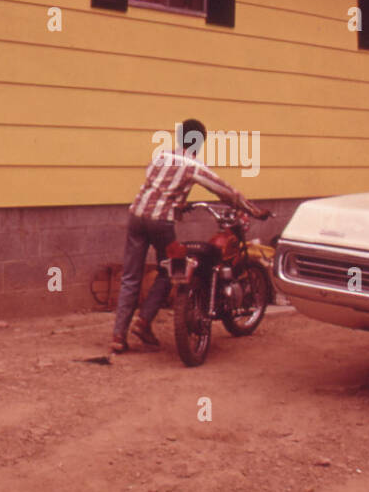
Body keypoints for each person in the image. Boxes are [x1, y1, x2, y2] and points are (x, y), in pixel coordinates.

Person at [110, 119, 267, 354]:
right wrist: (252, 210)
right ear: (198, 141)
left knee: (131, 276)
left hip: (135, 216)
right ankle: (143, 322)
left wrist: (179, 203)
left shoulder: (160, 157)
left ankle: (118, 336)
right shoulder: (192, 164)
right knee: (171, 270)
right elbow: (224, 190)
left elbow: (158, 187)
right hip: (160, 223)